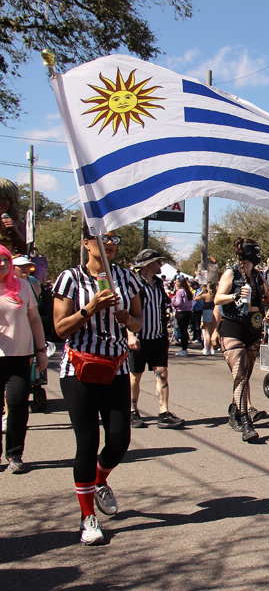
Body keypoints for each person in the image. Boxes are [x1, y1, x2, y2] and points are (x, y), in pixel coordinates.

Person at [52, 225, 143, 545]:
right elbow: (60, 328)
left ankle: (100, 481)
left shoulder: (127, 278)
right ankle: (87, 517)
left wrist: (125, 320)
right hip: (79, 369)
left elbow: (138, 320)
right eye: (103, 238)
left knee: (119, 439)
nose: (110, 244)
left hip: (115, 369)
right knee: (87, 443)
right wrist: (90, 309)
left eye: (115, 239)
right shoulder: (70, 278)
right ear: (86, 243)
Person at [213, 238, 269, 442]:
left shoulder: (258, 276)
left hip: (254, 326)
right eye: (256, 251)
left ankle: (234, 410)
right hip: (232, 326)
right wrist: (234, 296)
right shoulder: (230, 273)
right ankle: (246, 421)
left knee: (246, 375)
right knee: (239, 373)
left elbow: (268, 299)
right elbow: (217, 298)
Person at [0, 246, 48, 473]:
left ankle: (15, 454)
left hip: (20, 356)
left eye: (5, 260)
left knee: (18, 404)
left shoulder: (22, 286)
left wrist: (41, 350)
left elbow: (35, 319)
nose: (2, 264)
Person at [127, 248, 184, 430]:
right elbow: (125, 311)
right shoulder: (133, 284)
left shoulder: (158, 284)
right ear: (149, 264)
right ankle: (132, 411)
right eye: (159, 262)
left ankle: (163, 412)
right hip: (139, 338)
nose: (161, 265)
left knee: (162, 374)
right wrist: (129, 334)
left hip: (157, 337)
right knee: (135, 376)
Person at [0, 179, 26, 254]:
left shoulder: (18, 224)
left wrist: (15, 231)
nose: (0, 202)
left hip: (8, 264)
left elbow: (26, 250)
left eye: (4, 199)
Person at [170, 278, 193, 357]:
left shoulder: (179, 291)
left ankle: (184, 348)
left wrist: (173, 300)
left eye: (176, 282)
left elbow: (178, 302)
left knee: (182, 330)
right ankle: (184, 347)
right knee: (185, 330)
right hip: (188, 311)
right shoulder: (188, 291)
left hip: (181, 312)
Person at [199, 282, 218, 355]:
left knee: (207, 332)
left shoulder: (206, 295)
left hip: (207, 312)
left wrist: (201, 292)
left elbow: (196, 298)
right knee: (212, 330)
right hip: (214, 312)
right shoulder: (215, 296)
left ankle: (207, 348)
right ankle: (212, 349)